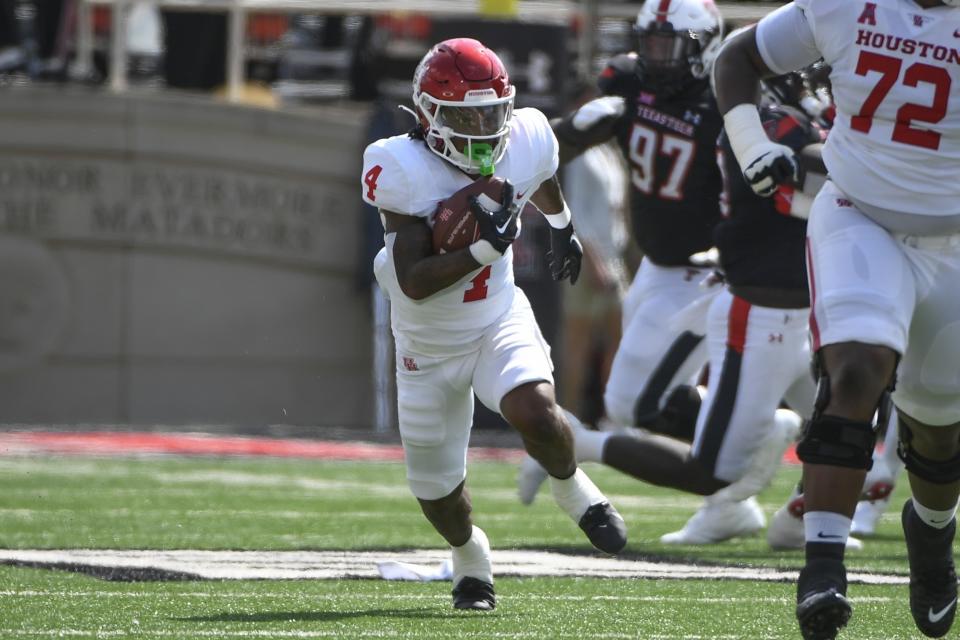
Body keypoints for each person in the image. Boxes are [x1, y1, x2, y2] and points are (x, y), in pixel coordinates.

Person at [715, 2, 960, 638]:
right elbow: (737, 56)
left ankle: (932, 534)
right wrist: (752, 144)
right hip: (862, 214)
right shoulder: (844, 4)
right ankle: (822, 566)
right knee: (855, 372)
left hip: (956, 239)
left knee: (937, 434)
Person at [360, 38, 627, 612]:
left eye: (490, 112)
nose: (482, 127)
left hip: (496, 319)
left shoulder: (527, 134)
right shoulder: (400, 167)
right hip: (426, 347)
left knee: (536, 410)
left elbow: (542, 171)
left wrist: (560, 224)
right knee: (438, 497)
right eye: (464, 115)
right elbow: (413, 278)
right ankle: (470, 556)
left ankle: (571, 489)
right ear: (430, 114)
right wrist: (484, 250)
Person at [520, 0, 778, 543]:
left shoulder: (725, 100)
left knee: (632, 402)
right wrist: (569, 129)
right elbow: (566, 143)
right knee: (632, 401)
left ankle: (751, 462)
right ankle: (740, 469)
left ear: (705, 45)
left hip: (707, 270)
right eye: (651, 43)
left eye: (671, 46)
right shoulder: (631, 80)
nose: (657, 57)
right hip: (657, 267)